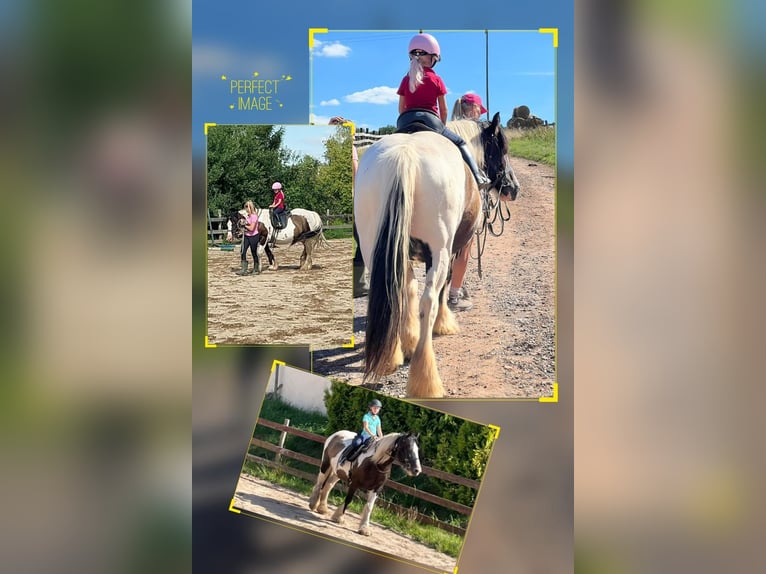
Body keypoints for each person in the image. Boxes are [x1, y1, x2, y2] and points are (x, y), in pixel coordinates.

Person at [396, 33, 490, 189]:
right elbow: (444, 110)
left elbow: (401, 108)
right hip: (431, 122)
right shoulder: (436, 79)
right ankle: (477, 176)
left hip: (405, 121)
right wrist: (442, 127)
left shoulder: (405, 79)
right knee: (460, 143)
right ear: (433, 57)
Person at [446, 93, 489, 310]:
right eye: (479, 110)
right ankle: (454, 294)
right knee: (465, 244)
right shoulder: (473, 132)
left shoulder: (447, 128)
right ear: (472, 109)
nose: (480, 114)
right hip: (465, 192)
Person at [329, 115, 368, 297]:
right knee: (363, 240)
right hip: (353, 198)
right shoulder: (349, 148)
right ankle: (358, 284)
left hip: (337, 198)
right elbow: (356, 173)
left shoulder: (332, 147)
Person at [340, 399, 383, 464]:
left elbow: (379, 430)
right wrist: (373, 435)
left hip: (372, 438)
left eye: (378, 408)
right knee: (356, 443)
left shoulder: (377, 418)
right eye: (375, 408)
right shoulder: (366, 416)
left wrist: (382, 438)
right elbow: (366, 427)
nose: (376, 409)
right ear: (371, 407)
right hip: (365, 435)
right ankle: (344, 457)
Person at [236, 201, 260, 276]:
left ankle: (256, 269)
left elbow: (252, 228)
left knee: (253, 252)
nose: (246, 209)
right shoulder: (248, 216)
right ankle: (244, 269)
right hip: (247, 236)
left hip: (254, 236)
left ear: (250, 207)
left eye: (247, 207)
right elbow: (246, 228)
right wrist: (242, 230)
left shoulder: (254, 216)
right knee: (243, 251)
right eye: (245, 207)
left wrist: (244, 225)